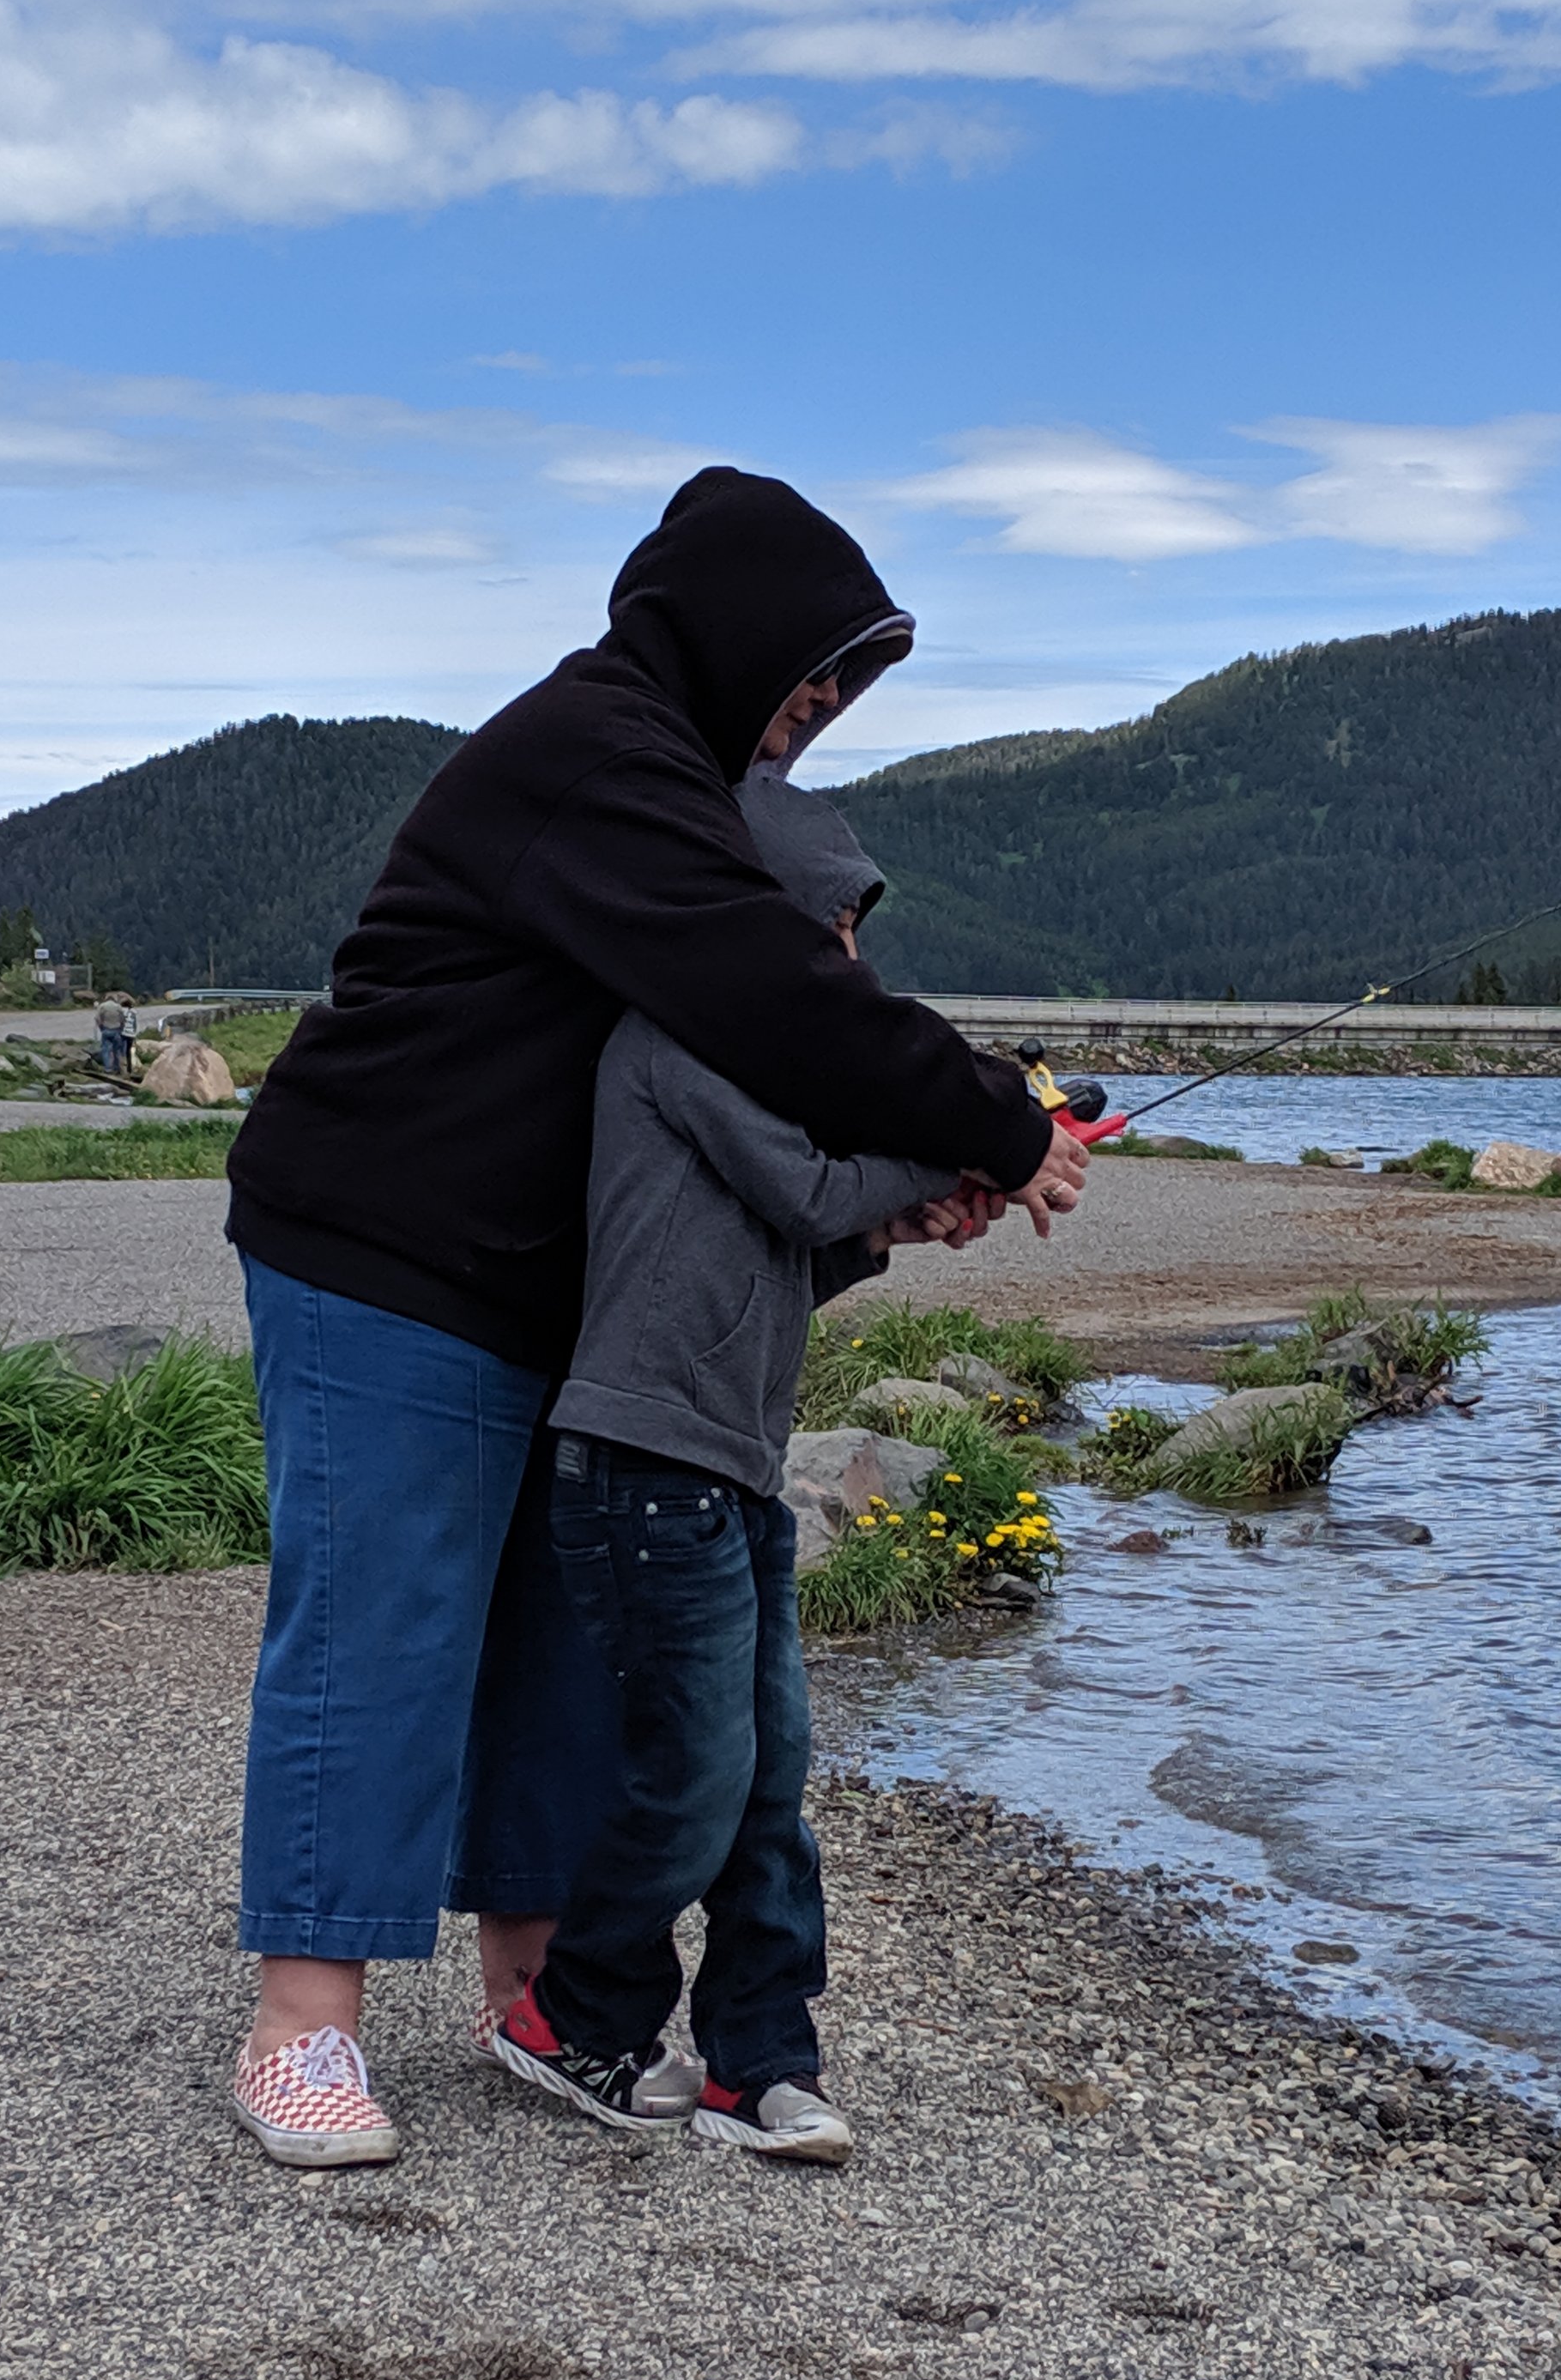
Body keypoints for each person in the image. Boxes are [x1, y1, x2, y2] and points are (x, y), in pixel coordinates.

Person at [222, 466, 1087, 2168]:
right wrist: (998, 1116)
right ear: (731, 630)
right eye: (814, 668)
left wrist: (890, 1202)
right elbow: (775, 998)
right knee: (381, 1632)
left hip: (548, 1282)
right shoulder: (599, 753)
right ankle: (300, 2028)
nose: (819, 705)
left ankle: (537, 1995)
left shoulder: (677, 784)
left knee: (558, 1651)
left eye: (845, 685)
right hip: (377, 1240)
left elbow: (739, 1127)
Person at [495, 772, 979, 2163]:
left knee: (770, 1786)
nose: (846, 961)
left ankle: (759, 2063)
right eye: (827, 928)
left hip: (732, 1474)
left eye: (853, 932)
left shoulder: (752, 1071)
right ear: (747, 914)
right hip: (639, 1470)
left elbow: (792, 1251)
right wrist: (955, 1152)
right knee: (700, 1775)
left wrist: (898, 1229)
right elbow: (812, 1191)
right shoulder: (674, 1040)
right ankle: (569, 2015)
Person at [94, 992, 127, 1076]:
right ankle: (117, 1068)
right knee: (117, 1050)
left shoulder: (102, 1006)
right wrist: (121, 1028)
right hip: (116, 1030)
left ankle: (108, 1068)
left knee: (106, 1050)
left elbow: (97, 1018)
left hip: (106, 1030)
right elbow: (123, 1019)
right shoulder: (118, 1007)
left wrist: (101, 1027)